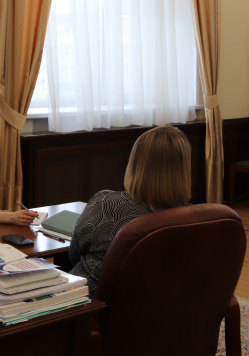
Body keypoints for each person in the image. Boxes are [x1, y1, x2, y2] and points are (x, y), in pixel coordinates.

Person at [68, 125, 192, 295]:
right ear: (184, 169)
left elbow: (73, 254)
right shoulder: (197, 220)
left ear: (135, 163)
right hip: (162, 306)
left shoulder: (105, 204)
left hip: (94, 305)